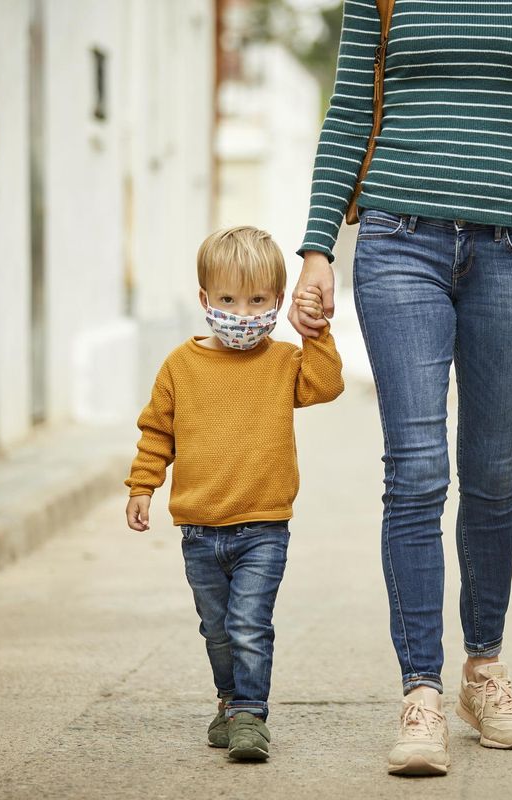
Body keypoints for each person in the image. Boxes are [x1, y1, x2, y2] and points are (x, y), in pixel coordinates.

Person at [289, 0, 512, 777]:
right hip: (399, 241)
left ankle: (484, 671)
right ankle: (421, 691)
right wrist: (317, 245)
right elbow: (347, 108)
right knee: (416, 469)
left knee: (494, 472)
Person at [124, 226, 344, 761]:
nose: (242, 313)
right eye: (227, 299)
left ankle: (250, 714)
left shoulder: (282, 362)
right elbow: (158, 431)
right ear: (205, 300)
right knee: (217, 629)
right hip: (199, 529)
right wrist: (142, 485)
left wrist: (315, 330)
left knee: (248, 623)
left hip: (263, 527)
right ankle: (228, 700)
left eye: (257, 300)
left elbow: (327, 384)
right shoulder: (181, 365)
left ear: (275, 301)